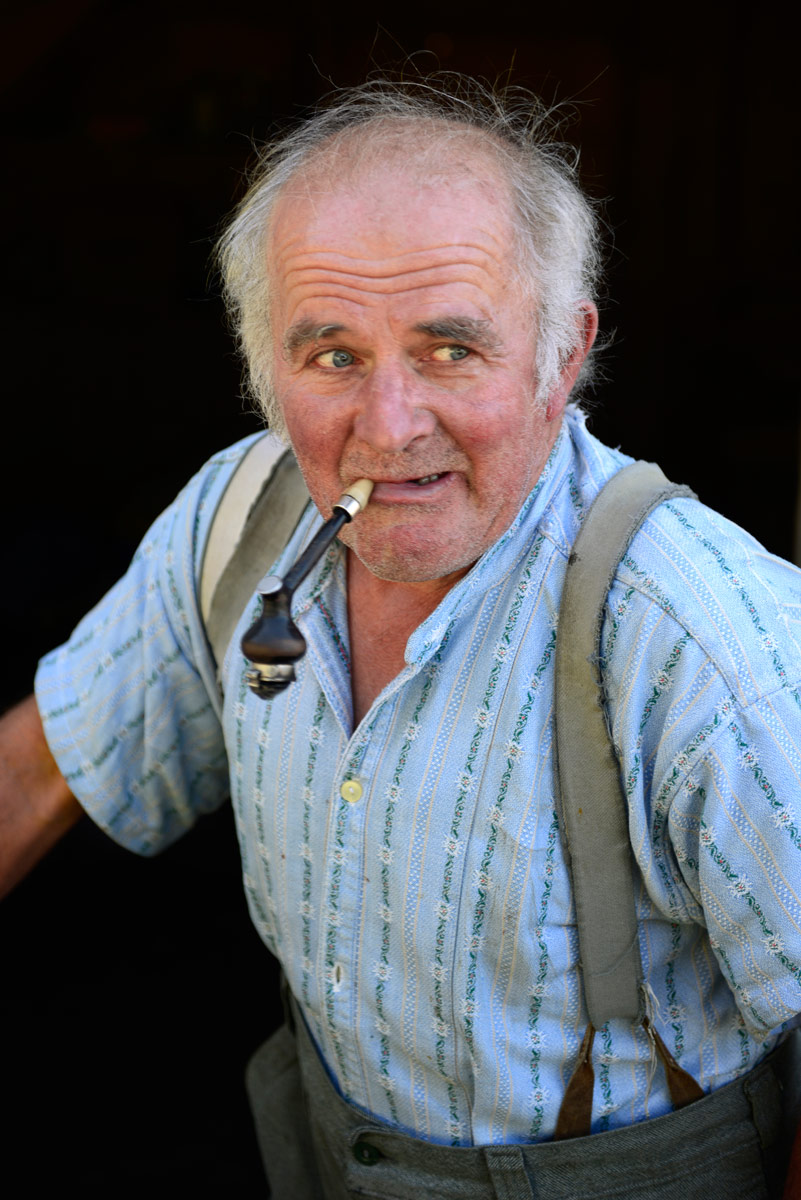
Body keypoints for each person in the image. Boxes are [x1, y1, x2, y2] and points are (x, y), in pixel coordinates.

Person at [2, 78, 800, 1199]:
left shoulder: (709, 645)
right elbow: (33, 773)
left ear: (561, 355)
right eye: (332, 356)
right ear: (260, 370)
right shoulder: (240, 523)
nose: (385, 430)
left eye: (448, 351)